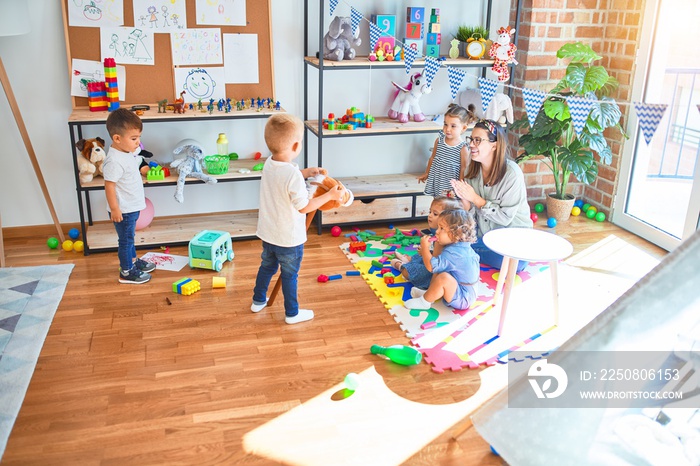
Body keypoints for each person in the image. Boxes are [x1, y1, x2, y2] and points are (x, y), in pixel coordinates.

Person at [251, 113, 344, 324]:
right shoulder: (292, 174)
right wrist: (330, 195)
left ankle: (258, 300)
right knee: (289, 275)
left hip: (269, 233)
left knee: (267, 267)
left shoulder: (269, 164)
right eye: (300, 142)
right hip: (289, 238)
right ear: (295, 146)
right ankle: (292, 313)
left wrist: (306, 172)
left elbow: (285, 178)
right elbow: (304, 207)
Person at [450, 119, 532, 272]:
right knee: (441, 229)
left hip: (513, 242)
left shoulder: (512, 174)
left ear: (494, 145)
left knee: (517, 264)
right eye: (471, 139)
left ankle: (458, 251)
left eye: (478, 140)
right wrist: (465, 203)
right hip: (484, 239)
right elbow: (472, 220)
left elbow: (505, 218)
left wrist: (475, 198)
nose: (472, 144)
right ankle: (460, 251)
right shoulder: (472, 170)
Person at [103, 108, 156, 284]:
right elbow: (109, 186)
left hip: (131, 206)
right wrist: (115, 209)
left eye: (139, 137)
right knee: (125, 241)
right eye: (134, 139)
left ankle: (132, 262)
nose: (138, 143)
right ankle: (126, 272)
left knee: (130, 238)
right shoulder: (114, 161)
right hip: (123, 210)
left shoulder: (126, 152)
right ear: (117, 138)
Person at [403, 209, 480, 311]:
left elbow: (431, 267)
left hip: (464, 298)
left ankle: (424, 302)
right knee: (441, 269)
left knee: (443, 277)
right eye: (438, 227)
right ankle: (430, 294)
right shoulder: (460, 246)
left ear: (456, 233)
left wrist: (425, 248)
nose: (437, 232)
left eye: (442, 228)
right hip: (463, 290)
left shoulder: (454, 253)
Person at [390, 196, 462, 291]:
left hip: (436, 273)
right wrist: (426, 251)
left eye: (435, 214)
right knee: (419, 256)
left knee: (408, 272)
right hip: (436, 266)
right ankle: (409, 259)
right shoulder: (442, 234)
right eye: (430, 212)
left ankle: (402, 265)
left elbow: (433, 266)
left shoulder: (441, 239)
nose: (430, 215)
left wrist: (425, 250)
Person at [417, 104, 471, 198]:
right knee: (437, 204)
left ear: (463, 128)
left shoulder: (463, 148)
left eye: (453, 126)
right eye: (445, 124)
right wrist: (427, 173)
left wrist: (460, 188)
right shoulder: (439, 141)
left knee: (448, 206)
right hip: (437, 181)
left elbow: (463, 169)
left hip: (450, 186)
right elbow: (432, 158)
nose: (447, 129)